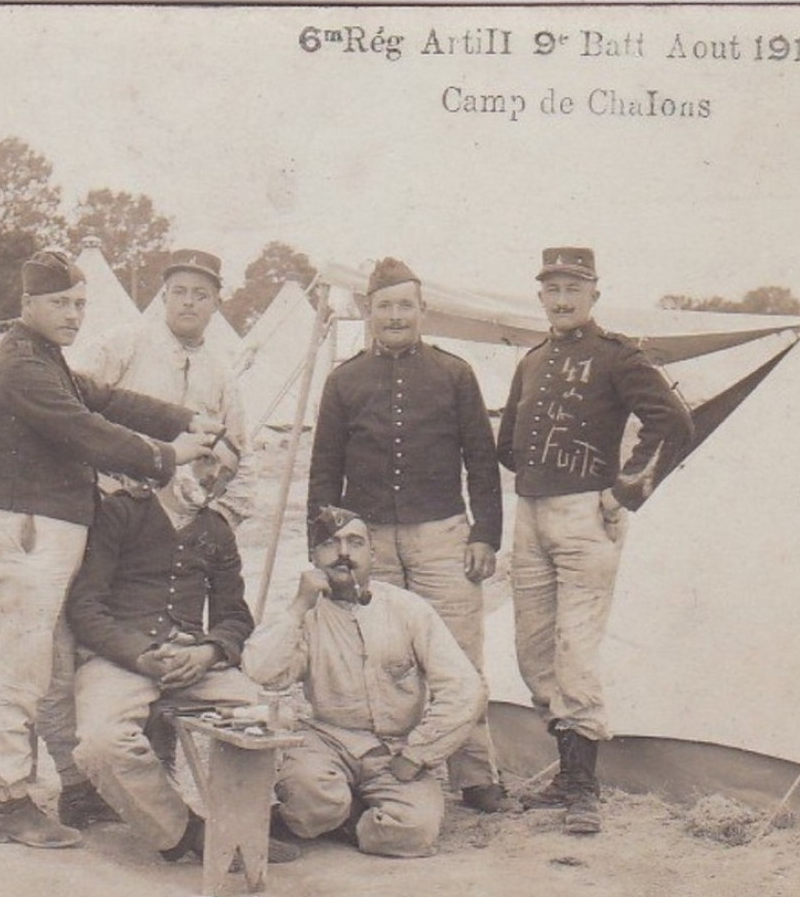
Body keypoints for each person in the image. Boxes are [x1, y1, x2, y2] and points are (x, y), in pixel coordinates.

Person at [0, 248, 223, 849]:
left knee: (55, 670)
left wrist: (184, 417)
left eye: (80, 304)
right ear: (27, 304)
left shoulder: (45, 359)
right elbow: (88, 430)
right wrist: (170, 455)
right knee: (19, 670)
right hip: (31, 529)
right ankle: (7, 799)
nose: (73, 314)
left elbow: (107, 399)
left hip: (54, 528)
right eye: (60, 303)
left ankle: (70, 790)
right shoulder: (20, 367)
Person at [306, 257, 516, 814]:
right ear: (366, 311)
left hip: (442, 533)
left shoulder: (454, 374)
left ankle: (475, 775)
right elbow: (324, 470)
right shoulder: (344, 380)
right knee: (376, 652)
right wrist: (325, 547)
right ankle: (381, 768)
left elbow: (482, 463)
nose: (395, 316)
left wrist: (484, 536)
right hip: (367, 538)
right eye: (384, 306)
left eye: (405, 305)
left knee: (460, 654)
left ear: (423, 311)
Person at [501, 247, 694, 835]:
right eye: (552, 289)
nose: (561, 300)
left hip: (586, 516)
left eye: (573, 289)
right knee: (534, 654)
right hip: (530, 514)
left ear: (593, 296)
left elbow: (674, 422)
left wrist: (623, 493)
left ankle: (585, 787)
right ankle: (565, 775)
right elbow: (507, 440)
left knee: (575, 653)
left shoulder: (618, 356)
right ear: (540, 297)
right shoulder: (532, 360)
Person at [67, 443, 296, 863]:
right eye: (206, 461)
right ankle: (187, 831)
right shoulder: (120, 513)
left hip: (193, 665)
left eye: (227, 472)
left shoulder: (217, 531)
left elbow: (235, 617)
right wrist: (140, 655)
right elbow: (85, 608)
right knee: (100, 741)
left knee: (267, 714)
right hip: (123, 662)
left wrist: (208, 652)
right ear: (176, 461)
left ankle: (245, 829)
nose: (214, 476)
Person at [244, 506, 488, 858]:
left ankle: (343, 818)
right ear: (314, 556)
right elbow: (261, 672)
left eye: (355, 543)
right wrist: (298, 606)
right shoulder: (306, 614)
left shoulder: (408, 609)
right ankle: (335, 811)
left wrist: (418, 754)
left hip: (393, 750)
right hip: (328, 741)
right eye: (330, 544)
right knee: (310, 795)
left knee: (416, 831)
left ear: (373, 553)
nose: (343, 554)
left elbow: (465, 688)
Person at [68, 247, 256, 529]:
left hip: (185, 519)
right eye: (179, 292)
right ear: (164, 296)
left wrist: (222, 519)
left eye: (200, 295)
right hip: (114, 506)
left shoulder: (221, 372)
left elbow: (240, 450)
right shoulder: (124, 343)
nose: (188, 302)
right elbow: (72, 407)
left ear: (216, 303)